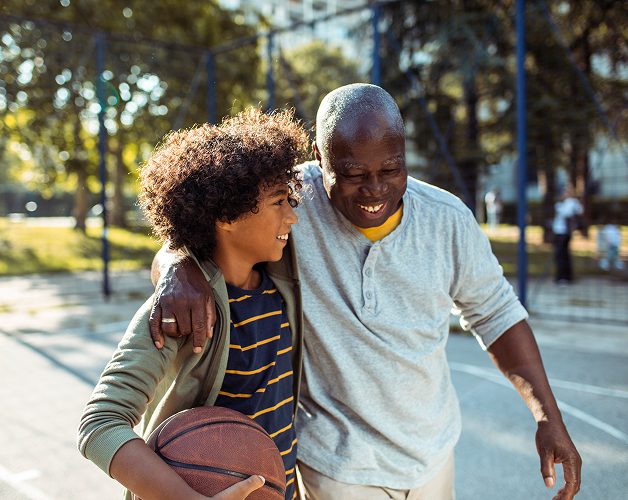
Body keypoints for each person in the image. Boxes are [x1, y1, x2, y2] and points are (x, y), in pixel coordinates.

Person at [149, 84, 582, 500]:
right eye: (353, 174)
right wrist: (177, 265)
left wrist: (548, 417)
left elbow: (497, 314)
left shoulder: (447, 220)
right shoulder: (288, 204)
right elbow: (198, 230)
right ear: (320, 159)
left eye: (391, 169)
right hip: (338, 467)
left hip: (432, 455)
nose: (375, 189)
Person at [78, 108, 309, 500]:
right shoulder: (179, 311)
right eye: (277, 202)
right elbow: (100, 424)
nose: (293, 216)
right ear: (226, 215)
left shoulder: (281, 279)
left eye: (291, 199)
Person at [552, 186, 584, 283]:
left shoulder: (571, 202)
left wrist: (558, 207)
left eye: (565, 192)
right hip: (561, 232)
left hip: (563, 232)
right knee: (564, 254)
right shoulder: (569, 203)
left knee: (561, 255)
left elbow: (568, 213)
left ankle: (563, 277)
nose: (563, 195)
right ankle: (566, 277)